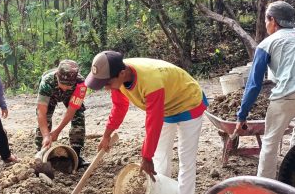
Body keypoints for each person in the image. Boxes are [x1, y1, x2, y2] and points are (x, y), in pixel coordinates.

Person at [85, 51, 208, 194]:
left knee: (186, 160)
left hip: (188, 103)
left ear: (122, 73)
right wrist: (106, 135)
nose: (106, 88)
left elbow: (154, 122)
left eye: (107, 83)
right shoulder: (117, 77)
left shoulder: (151, 82)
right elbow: (119, 107)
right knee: (160, 158)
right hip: (166, 106)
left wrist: (146, 156)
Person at [234, 1, 295, 179]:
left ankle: (265, 184)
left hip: (286, 97)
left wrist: (242, 115)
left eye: (266, 20)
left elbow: (254, 84)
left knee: (270, 143)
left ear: (272, 20)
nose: (266, 24)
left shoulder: (267, 43)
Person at [35, 60, 90, 168]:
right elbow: (41, 113)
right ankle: (41, 154)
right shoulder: (47, 82)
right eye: (62, 84)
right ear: (57, 76)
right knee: (46, 120)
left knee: (78, 116)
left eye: (69, 85)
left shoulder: (81, 83)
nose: (65, 88)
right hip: (51, 95)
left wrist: (58, 131)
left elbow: (72, 110)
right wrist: (47, 136)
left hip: (70, 96)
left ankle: (76, 156)